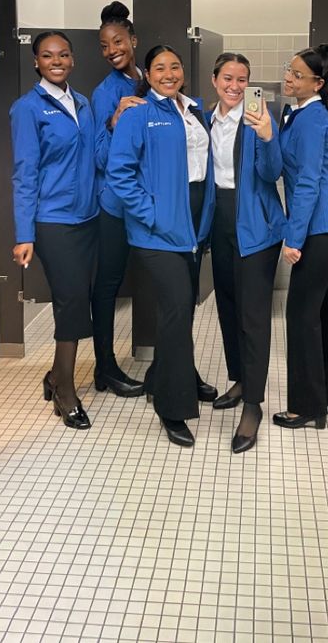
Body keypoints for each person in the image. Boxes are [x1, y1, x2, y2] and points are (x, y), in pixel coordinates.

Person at [107, 45, 215, 447]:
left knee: (183, 308)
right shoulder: (139, 115)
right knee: (175, 308)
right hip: (156, 232)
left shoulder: (193, 110)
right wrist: (151, 213)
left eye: (174, 67)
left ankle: (165, 377)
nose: (168, 74)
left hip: (192, 228)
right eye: (159, 68)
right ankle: (172, 407)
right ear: (147, 75)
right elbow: (121, 174)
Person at [10, 31, 99, 429]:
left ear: (73, 60)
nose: (56, 60)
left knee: (79, 299)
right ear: (36, 63)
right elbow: (25, 173)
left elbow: (96, 154)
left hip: (88, 218)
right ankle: (64, 389)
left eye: (63, 54)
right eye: (47, 56)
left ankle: (55, 375)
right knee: (71, 299)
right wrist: (24, 233)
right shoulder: (27, 109)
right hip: (53, 220)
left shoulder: (82, 103)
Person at [273, 44, 328, 431]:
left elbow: (306, 183)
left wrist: (294, 238)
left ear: (318, 83)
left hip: (321, 226)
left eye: (297, 75)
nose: (288, 79)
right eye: (288, 71)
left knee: (302, 314)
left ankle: (307, 406)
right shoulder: (306, 113)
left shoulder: (309, 119)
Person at [208, 52, 285, 453]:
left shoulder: (258, 119)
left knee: (254, 318)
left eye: (242, 79)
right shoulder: (208, 120)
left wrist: (270, 135)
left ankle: (252, 405)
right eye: (228, 78)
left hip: (257, 228)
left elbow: (273, 172)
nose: (235, 86)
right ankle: (239, 379)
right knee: (228, 307)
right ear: (214, 79)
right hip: (221, 222)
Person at [90, 1, 145, 397]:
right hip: (115, 206)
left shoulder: (151, 77)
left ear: (133, 41)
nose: (112, 51)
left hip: (149, 202)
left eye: (118, 42)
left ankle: (170, 364)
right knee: (107, 284)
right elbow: (100, 158)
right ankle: (105, 367)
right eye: (105, 45)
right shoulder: (104, 93)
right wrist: (114, 122)